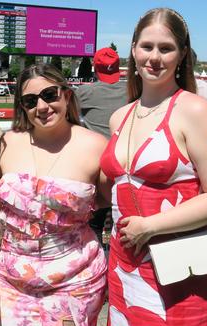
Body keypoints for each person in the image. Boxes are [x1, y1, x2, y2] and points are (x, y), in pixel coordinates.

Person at [99, 8, 207, 326]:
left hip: (176, 267)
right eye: (147, 46)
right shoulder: (122, 116)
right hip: (124, 263)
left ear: (182, 55)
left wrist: (151, 225)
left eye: (166, 48)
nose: (155, 57)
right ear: (133, 49)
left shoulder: (195, 111)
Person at [0, 64, 108, 326]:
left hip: (76, 277)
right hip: (13, 280)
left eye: (49, 95)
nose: (41, 106)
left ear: (66, 95)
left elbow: (112, 200)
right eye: (30, 101)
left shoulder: (95, 145)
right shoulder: (7, 142)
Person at [76, 47, 128, 247]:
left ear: (94, 68)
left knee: (94, 223)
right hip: (124, 164)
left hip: (97, 167)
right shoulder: (130, 90)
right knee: (121, 221)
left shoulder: (85, 92)